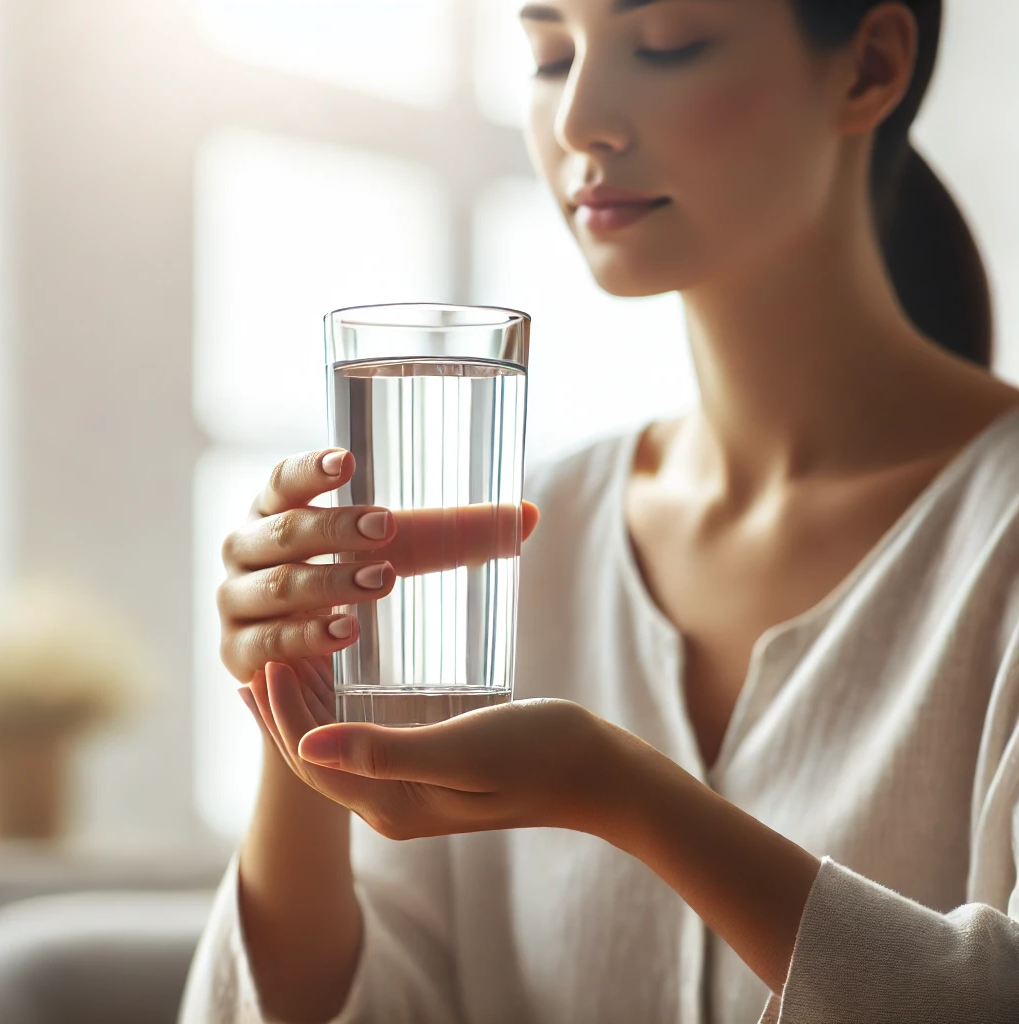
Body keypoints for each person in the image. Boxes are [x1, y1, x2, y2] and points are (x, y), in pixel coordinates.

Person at [178, 1, 1019, 1021]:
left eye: (666, 43)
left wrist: (621, 792)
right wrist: (294, 706)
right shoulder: (530, 537)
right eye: (548, 56)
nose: (579, 117)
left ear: (868, 66)